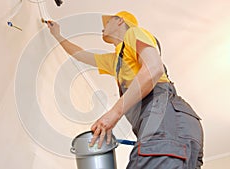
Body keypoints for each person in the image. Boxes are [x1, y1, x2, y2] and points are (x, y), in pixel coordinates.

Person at [45, 11, 204, 169]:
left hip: (165, 119)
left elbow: (154, 68)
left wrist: (114, 113)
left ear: (120, 21)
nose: (103, 27)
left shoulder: (133, 34)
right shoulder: (115, 61)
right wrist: (57, 35)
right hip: (168, 127)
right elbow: (80, 54)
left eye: (107, 22)